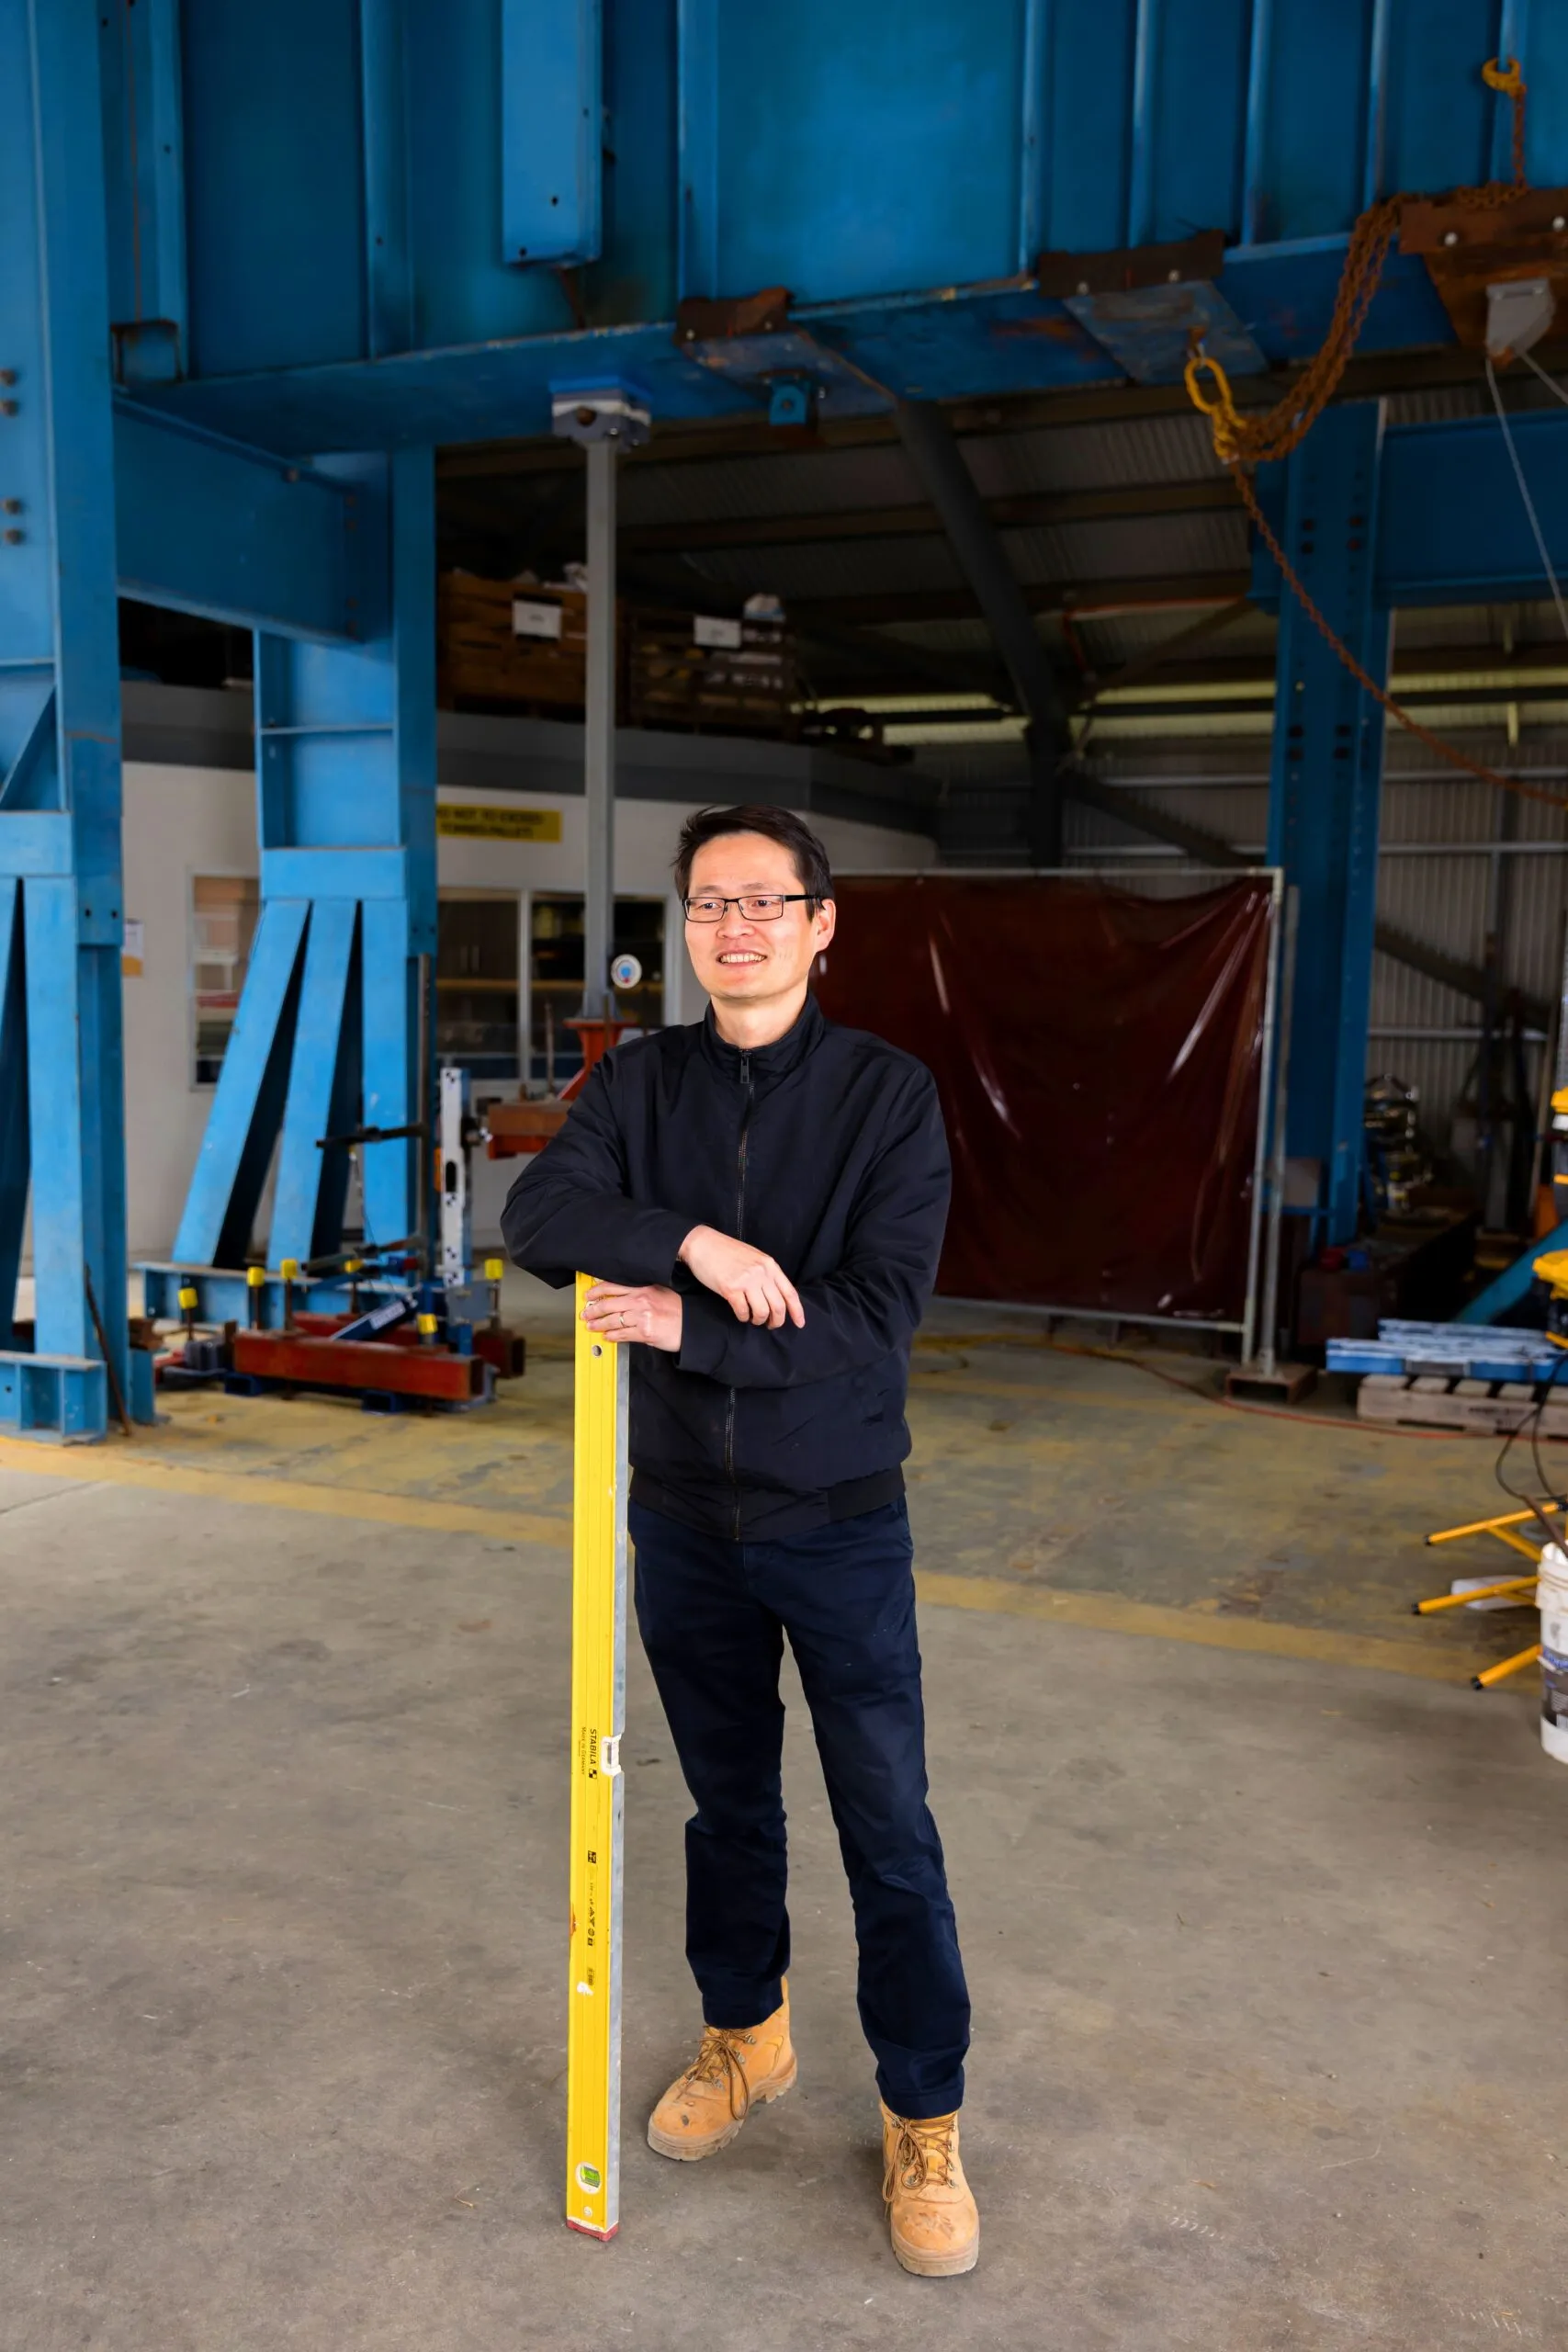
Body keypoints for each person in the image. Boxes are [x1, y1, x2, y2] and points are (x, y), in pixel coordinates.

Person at [502, 804, 977, 2278]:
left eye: (767, 901)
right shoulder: (641, 1085)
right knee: (727, 1808)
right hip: (684, 1522)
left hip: (836, 1520)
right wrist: (693, 1245)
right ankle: (745, 2037)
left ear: (823, 925)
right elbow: (540, 1208)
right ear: (687, 929)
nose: (738, 926)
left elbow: (870, 1317)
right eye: (711, 904)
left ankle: (923, 2114)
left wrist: (687, 1330)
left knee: (886, 1826)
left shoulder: (888, 1099)